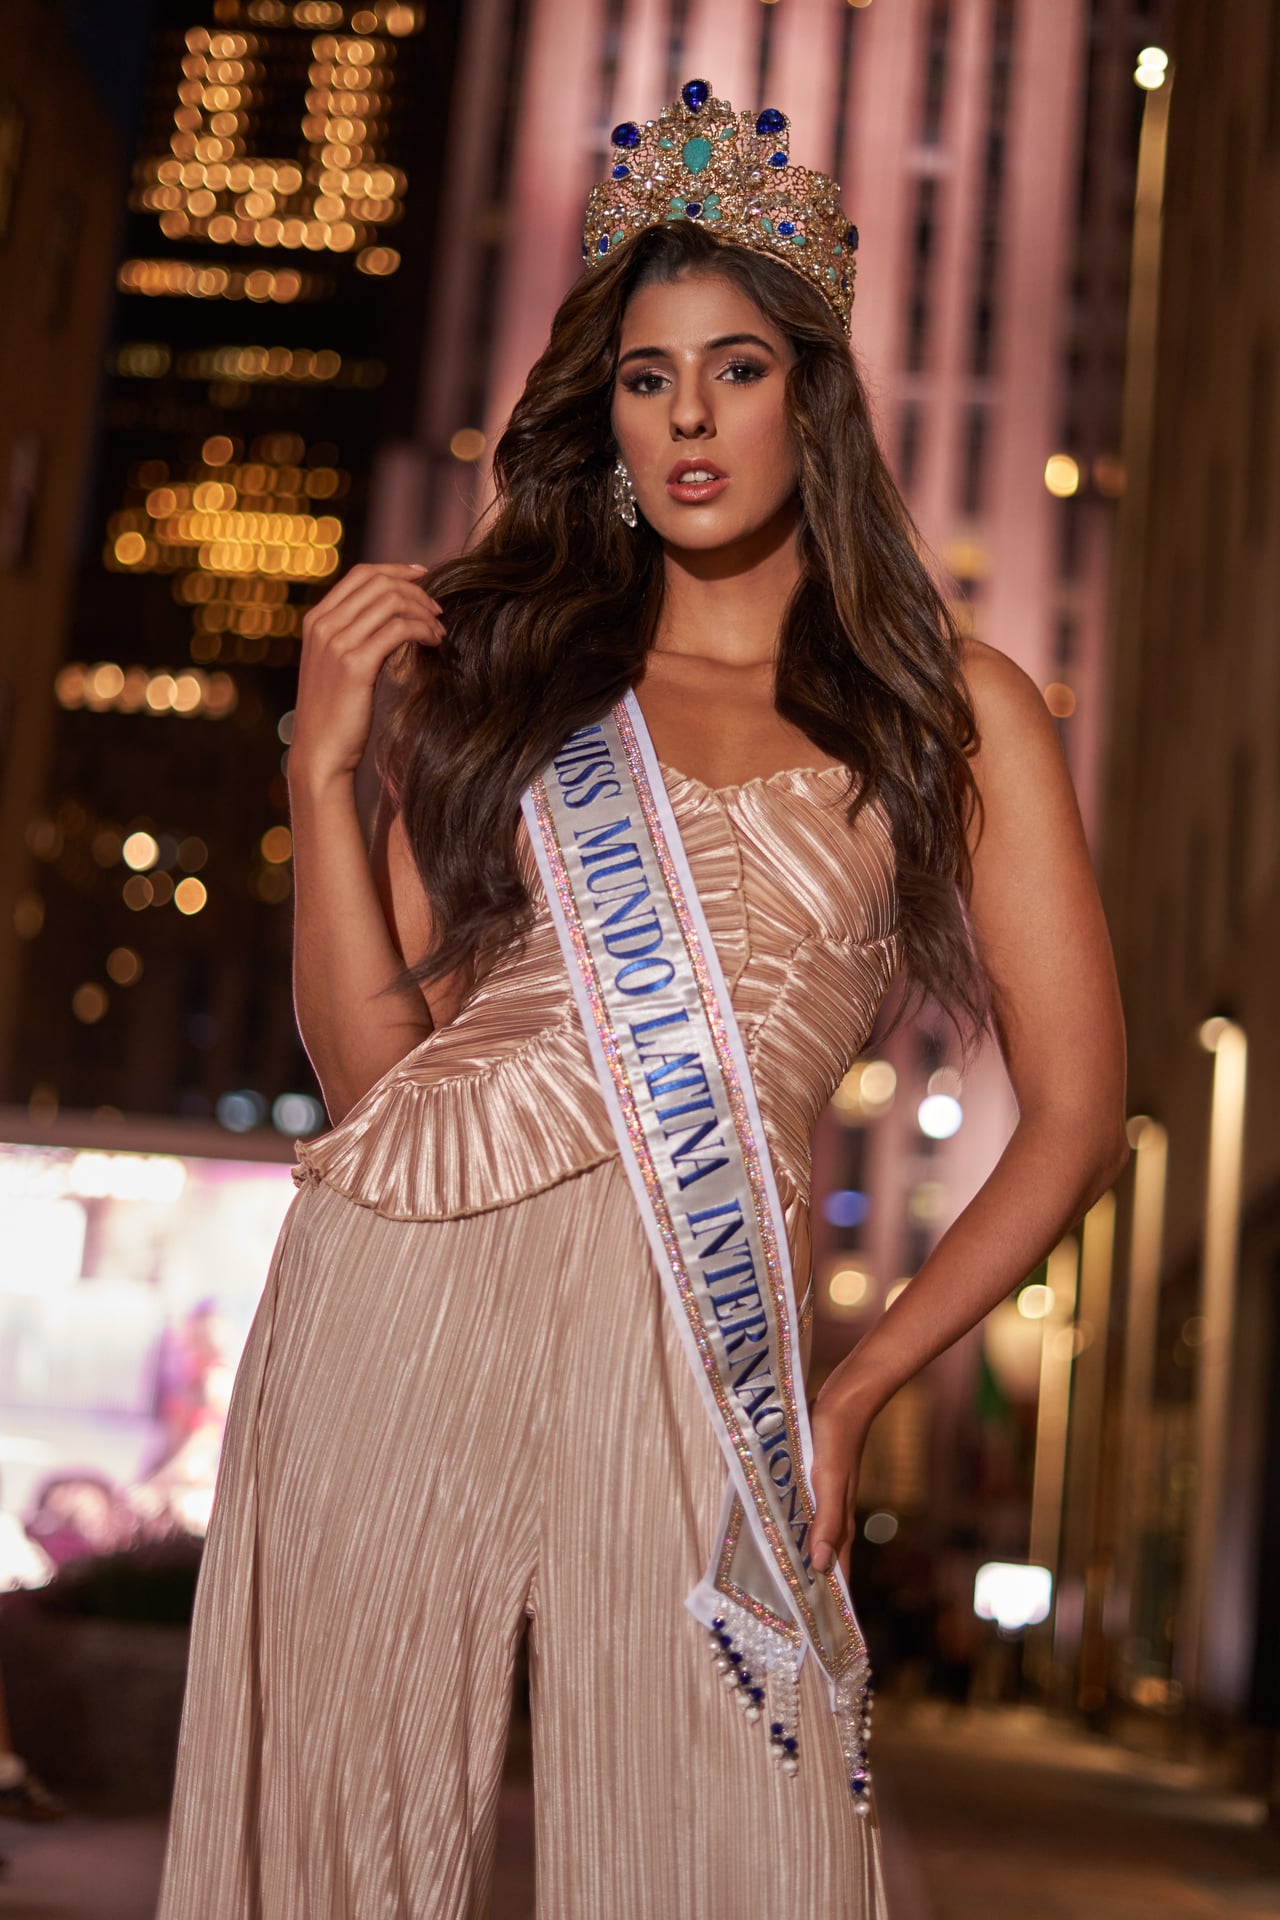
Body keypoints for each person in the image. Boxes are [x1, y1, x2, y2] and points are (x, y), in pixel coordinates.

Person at [157, 80, 1127, 1919]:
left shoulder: (949, 708)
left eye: (736, 370)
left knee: (736, 1851)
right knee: (345, 1851)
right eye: (647, 377)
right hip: (403, 1286)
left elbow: (1077, 1114)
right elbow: (380, 1081)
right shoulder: (523, 689)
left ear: (807, 400)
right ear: (604, 417)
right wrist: (323, 773)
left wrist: (860, 1387)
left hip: (705, 1343)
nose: (689, 416)